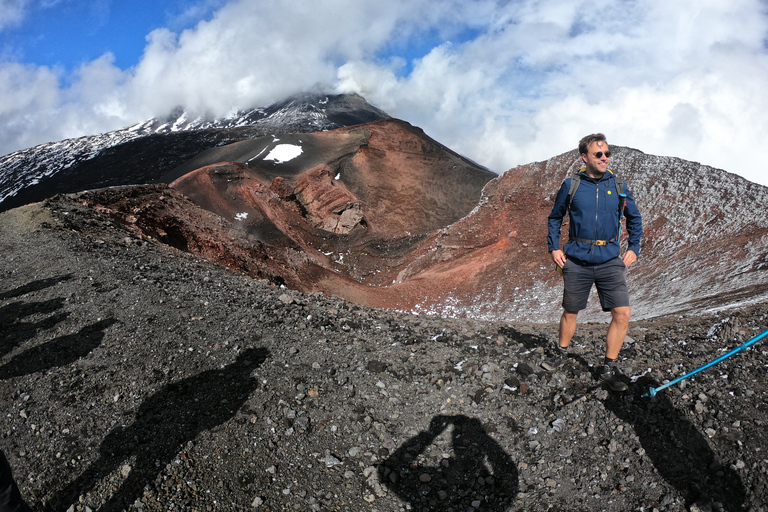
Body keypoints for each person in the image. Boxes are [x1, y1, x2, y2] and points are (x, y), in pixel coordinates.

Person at [545, 133, 643, 391]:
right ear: (584, 157)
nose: (604, 158)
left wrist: (634, 248)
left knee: (622, 313)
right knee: (571, 311)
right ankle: (561, 352)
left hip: (610, 258)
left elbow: (635, 218)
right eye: (598, 154)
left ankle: (609, 365)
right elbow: (555, 218)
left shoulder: (619, 186)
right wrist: (554, 248)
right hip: (576, 258)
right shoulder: (571, 185)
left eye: (607, 153)